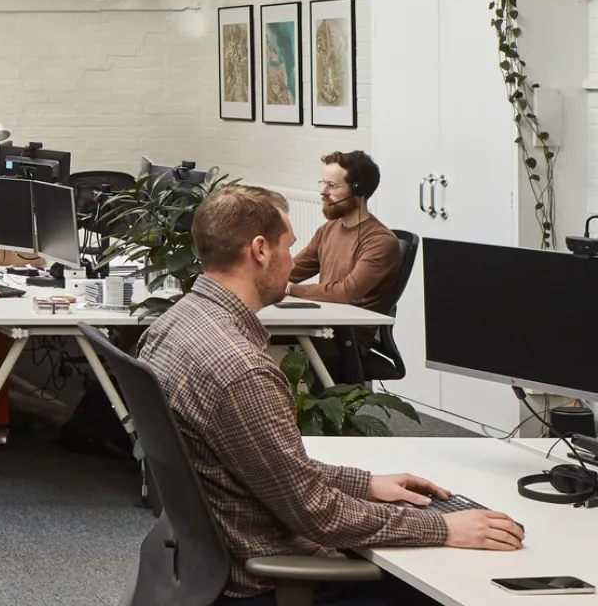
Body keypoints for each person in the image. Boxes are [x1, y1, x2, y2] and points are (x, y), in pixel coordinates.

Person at [137, 185, 523, 605]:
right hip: (268, 581)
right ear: (260, 251)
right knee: (461, 585)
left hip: (205, 566)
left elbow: (265, 465)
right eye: (289, 246)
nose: (292, 261)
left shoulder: (171, 327)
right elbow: (315, 513)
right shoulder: (242, 370)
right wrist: (445, 528)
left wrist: (366, 484)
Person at [288, 150, 402, 318]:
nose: (323, 192)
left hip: (347, 335)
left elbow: (347, 292)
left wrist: (291, 288)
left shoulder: (379, 241)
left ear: (358, 190)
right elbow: (289, 270)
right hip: (323, 324)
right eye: (322, 183)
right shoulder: (328, 230)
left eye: (331, 186)